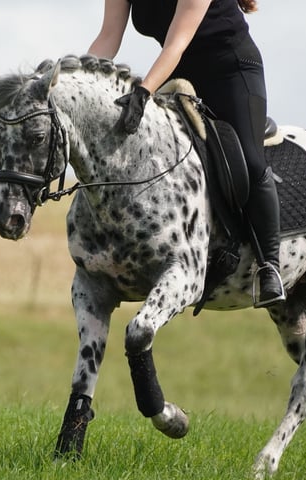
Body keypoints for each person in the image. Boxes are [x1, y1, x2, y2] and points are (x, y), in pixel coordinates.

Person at [88, 0, 285, 307]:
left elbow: (176, 42)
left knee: (249, 159)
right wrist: (75, 77)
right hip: (181, 75)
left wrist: (143, 92)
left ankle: (268, 265)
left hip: (231, 70)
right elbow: (107, 39)